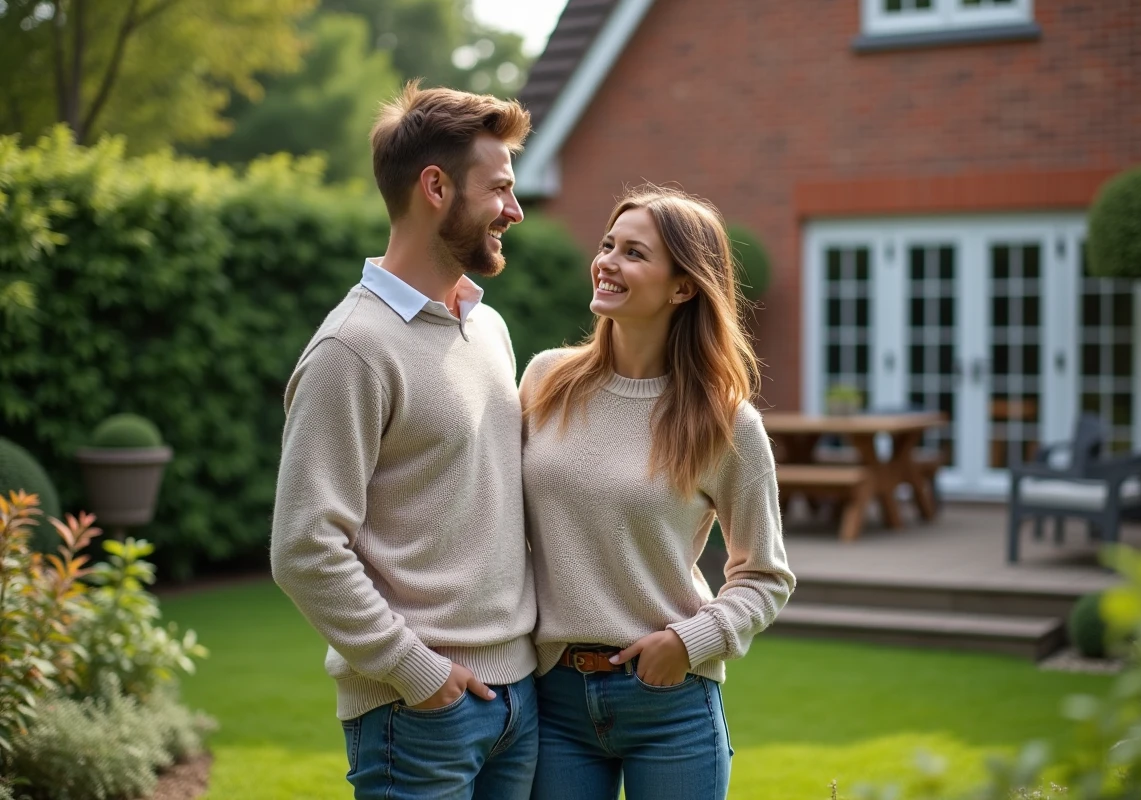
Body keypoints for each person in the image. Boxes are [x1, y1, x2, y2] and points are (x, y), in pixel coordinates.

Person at [270, 81, 539, 800]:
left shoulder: (488, 326)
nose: (515, 210)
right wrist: (415, 672)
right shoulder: (351, 350)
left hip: (519, 702)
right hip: (416, 715)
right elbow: (303, 548)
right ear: (436, 187)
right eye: (500, 189)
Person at [519, 185, 797, 800]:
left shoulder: (725, 421)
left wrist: (688, 643)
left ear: (682, 288)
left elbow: (765, 576)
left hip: (670, 703)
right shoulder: (545, 381)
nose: (607, 262)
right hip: (553, 698)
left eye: (634, 253)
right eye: (607, 245)